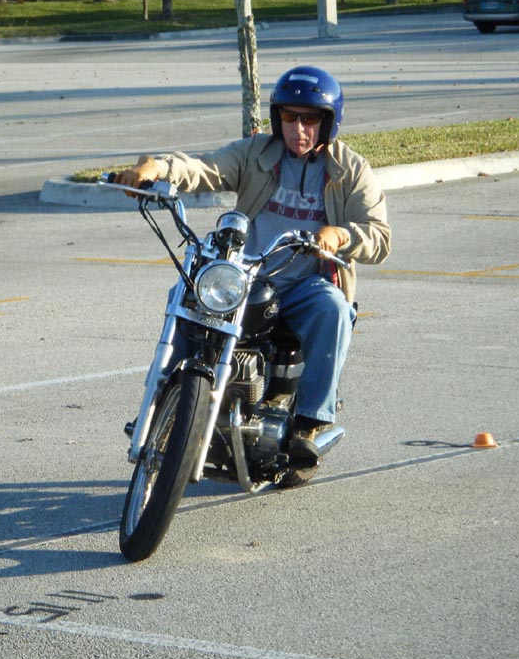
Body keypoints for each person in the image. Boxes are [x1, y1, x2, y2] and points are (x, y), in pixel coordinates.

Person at [114, 65, 391, 464]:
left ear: (328, 123)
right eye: (290, 117)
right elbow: (205, 169)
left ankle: (310, 421)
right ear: (278, 118)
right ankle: (161, 404)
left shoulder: (350, 170)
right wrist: (156, 169)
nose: (299, 128)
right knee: (186, 294)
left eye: (310, 120)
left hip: (306, 284)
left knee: (334, 309)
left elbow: (379, 236)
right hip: (246, 275)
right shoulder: (256, 153)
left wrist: (340, 236)